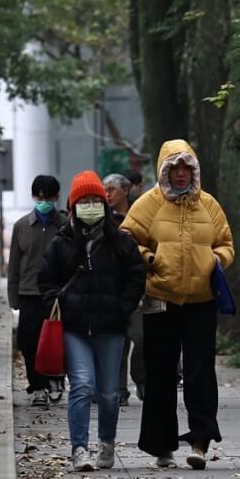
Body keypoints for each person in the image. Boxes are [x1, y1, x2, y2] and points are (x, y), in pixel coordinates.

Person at [120, 140, 234, 469]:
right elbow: (127, 238)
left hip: (202, 300)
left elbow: (226, 242)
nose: (181, 174)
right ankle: (161, 447)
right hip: (161, 299)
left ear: (194, 171)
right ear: (164, 171)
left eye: (186, 168)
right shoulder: (148, 204)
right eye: (174, 169)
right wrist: (149, 257)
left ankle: (200, 441)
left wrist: (216, 259)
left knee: (200, 372)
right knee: (160, 373)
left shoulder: (209, 205)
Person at [39, 171, 145, 471]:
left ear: (102, 203)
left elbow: (136, 275)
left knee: (109, 394)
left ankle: (107, 443)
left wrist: (123, 306)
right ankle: (79, 448)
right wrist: (56, 303)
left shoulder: (120, 241)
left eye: (94, 200)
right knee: (82, 385)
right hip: (74, 327)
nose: (89, 206)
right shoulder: (61, 242)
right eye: (82, 201)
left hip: (110, 327)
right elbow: (45, 279)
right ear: (73, 206)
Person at [9, 175, 66, 407]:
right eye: (40, 196)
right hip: (29, 292)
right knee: (28, 341)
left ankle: (55, 379)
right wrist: (14, 297)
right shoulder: (22, 226)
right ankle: (38, 385)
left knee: (56, 341)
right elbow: (14, 264)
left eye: (48, 196)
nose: (44, 200)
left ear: (56, 197)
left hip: (57, 294)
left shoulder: (64, 225)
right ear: (34, 196)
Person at [103, 172, 144, 407]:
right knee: (117, 343)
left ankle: (141, 378)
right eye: (105, 190)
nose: (107, 194)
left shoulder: (141, 215)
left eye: (111, 190)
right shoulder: (103, 219)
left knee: (141, 337)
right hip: (112, 289)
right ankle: (119, 389)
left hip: (139, 288)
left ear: (126, 191)